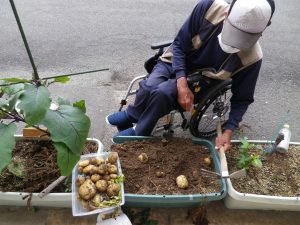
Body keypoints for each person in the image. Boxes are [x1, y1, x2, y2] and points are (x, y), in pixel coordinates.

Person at [106, 0, 275, 151]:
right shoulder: (208, 8)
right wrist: (181, 83)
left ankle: (140, 131)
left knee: (163, 93)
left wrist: (229, 129)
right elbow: (179, 44)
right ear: (227, 13)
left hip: (203, 80)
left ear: (266, 27)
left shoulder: (252, 59)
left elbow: (242, 98)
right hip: (176, 59)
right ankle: (132, 114)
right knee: (150, 85)